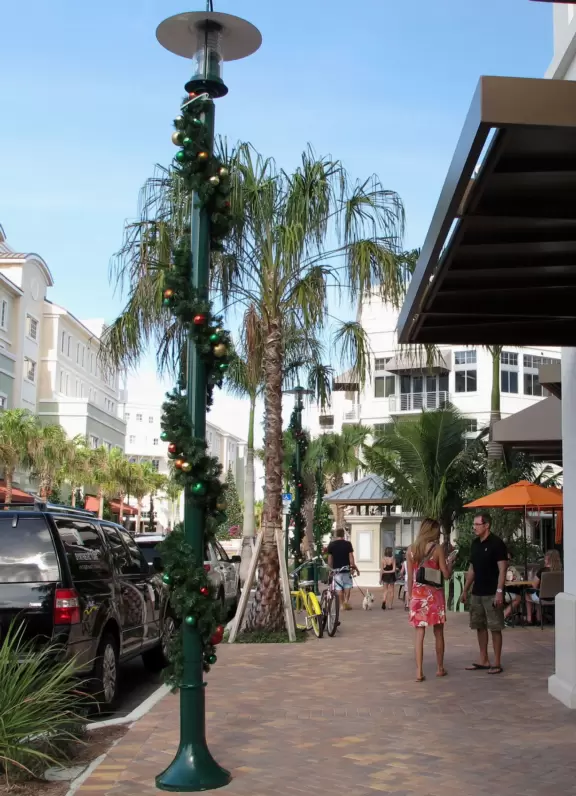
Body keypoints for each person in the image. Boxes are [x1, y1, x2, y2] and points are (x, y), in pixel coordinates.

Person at [406, 518, 454, 682]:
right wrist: (451, 563)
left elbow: (410, 577)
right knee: (438, 632)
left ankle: (419, 671)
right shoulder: (437, 549)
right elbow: (446, 575)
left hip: (417, 595)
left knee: (419, 633)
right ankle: (440, 668)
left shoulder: (411, 550)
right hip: (434, 595)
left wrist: (409, 595)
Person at [461, 512, 508, 675]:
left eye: (477, 524)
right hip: (477, 593)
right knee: (479, 626)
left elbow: (503, 569)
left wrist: (499, 591)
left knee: (495, 627)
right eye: (473, 524)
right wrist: (465, 589)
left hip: (492, 593)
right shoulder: (475, 544)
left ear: (486, 525)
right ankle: (484, 659)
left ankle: (497, 662)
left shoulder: (497, 543)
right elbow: (472, 569)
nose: (474, 527)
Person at [526, 549, 562, 624]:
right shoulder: (561, 571)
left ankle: (529, 619)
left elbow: (534, 585)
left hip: (543, 598)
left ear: (548, 558)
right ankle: (539, 617)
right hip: (557, 597)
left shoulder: (542, 571)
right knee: (539, 593)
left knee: (527, 593)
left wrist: (531, 577)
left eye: (545, 558)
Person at [327, 528, 359, 611]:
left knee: (339, 587)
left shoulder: (331, 545)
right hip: (346, 569)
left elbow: (330, 559)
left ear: (336, 535)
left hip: (336, 570)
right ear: (343, 534)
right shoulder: (348, 544)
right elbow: (351, 557)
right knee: (347, 586)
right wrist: (353, 566)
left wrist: (330, 569)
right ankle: (346, 601)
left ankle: (341, 605)